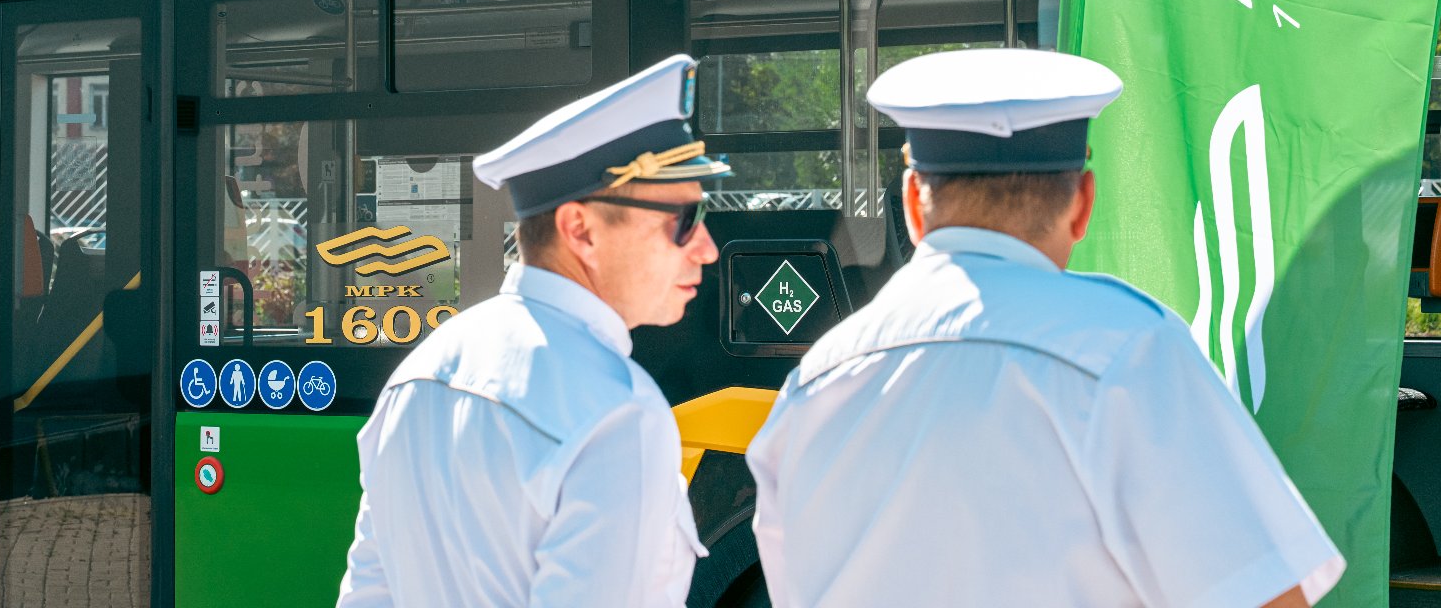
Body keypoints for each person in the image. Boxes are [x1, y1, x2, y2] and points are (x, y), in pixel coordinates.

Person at [746, 47, 1344, 608]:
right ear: (1083, 202)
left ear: (910, 203)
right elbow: (1260, 593)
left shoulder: (815, 381)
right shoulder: (1130, 351)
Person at [337, 54, 726, 608]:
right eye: (683, 221)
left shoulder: (417, 375)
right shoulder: (618, 413)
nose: (708, 249)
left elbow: (367, 596)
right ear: (580, 229)